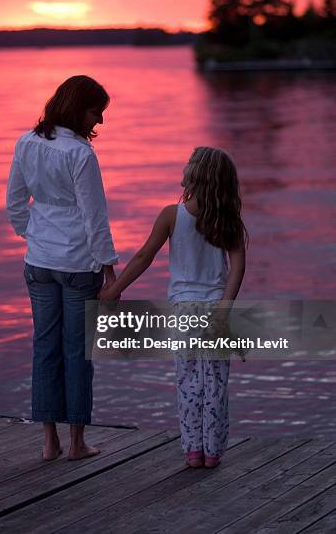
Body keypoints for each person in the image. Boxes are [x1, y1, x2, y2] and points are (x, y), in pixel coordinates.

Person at [99, 146, 247, 469]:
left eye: (188, 164)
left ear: (196, 176)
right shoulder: (227, 220)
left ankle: (193, 450)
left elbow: (143, 257)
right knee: (216, 385)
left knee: (189, 382)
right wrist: (224, 309)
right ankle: (213, 453)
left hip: (183, 312)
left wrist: (113, 290)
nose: (184, 167)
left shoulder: (172, 215)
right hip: (215, 312)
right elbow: (237, 268)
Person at [6, 75, 118, 461]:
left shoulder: (25, 142)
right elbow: (94, 217)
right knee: (77, 354)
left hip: (38, 262)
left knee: (44, 350)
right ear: (77, 108)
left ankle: (49, 443)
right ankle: (77, 444)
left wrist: (35, 235)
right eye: (95, 112)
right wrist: (110, 270)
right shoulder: (81, 154)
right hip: (77, 264)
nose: (99, 121)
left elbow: (15, 205)